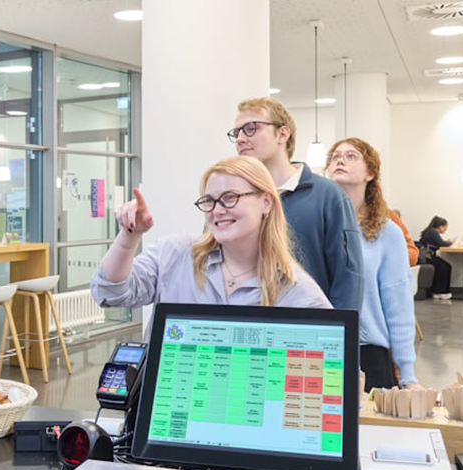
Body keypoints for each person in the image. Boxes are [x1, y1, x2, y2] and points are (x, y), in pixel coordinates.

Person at [91, 156, 331, 336]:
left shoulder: (295, 290)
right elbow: (110, 292)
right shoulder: (175, 254)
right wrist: (129, 236)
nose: (217, 210)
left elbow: (333, 360)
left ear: (266, 202)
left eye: (230, 198)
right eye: (209, 201)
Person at [231, 97, 363, 311]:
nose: (240, 139)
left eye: (251, 128)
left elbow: (348, 278)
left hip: (308, 330)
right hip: (248, 329)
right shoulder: (233, 196)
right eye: (236, 133)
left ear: (282, 134)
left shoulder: (327, 195)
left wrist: (339, 336)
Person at [324, 137, 420, 391]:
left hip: (367, 352)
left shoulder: (387, 232)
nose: (340, 160)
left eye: (351, 156)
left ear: (371, 173)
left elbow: (398, 306)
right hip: (317, 346)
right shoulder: (317, 225)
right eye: (335, 156)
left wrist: (408, 375)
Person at [418, 216, 453, 299]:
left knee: (443, 266)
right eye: (445, 227)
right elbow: (442, 244)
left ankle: (438, 291)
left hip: (426, 256)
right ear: (440, 226)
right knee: (445, 267)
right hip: (427, 257)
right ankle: (441, 291)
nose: (445, 229)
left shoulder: (430, 231)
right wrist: (450, 242)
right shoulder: (433, 232)